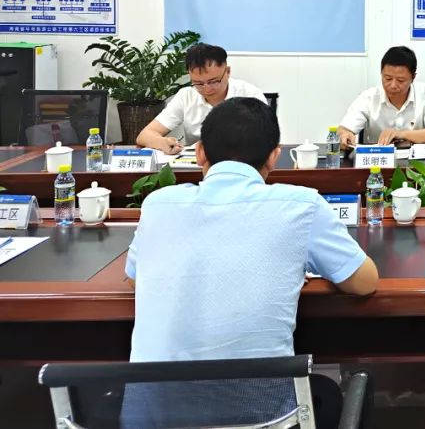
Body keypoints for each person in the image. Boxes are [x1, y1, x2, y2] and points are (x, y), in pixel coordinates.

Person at [123, 97, 377, 427]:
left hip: (153, 419)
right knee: (327, 395)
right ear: (274, 155)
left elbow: (136, 278)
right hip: (262, 419)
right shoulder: (300, 205)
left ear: (199, 152)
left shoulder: (159, 204)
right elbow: (365, 282)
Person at [137, 42, 266, 154]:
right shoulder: (186, 96)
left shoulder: (250, 94)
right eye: (198, 83)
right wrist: (163, 143)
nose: (207, 88)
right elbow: (144, 135)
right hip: (197, 164)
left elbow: (267, 136)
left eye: (214, 81)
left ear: (227, 72)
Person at [338, 46, 425, 147]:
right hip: (377, 159)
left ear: (413, 77)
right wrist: (345, 135)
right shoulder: (368, 97)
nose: (393, 85)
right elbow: (343, 129)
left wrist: (400, 134)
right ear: (381, 73)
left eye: (400, 80)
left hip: (417, 159)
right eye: (388, 78)